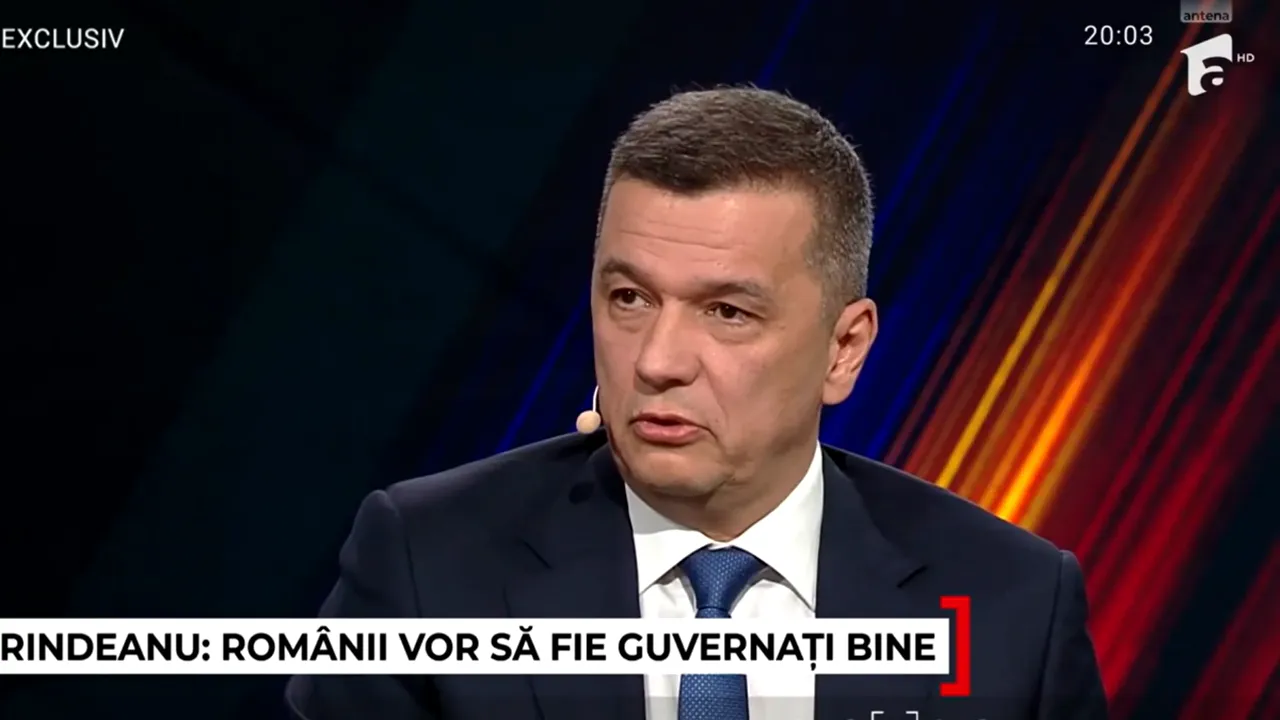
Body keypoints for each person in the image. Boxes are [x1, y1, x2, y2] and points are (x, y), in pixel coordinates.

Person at [285, 86, 1108, 720]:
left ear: (844, 348)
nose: (657, 361)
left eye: (727, 312)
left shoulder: (1012, 604)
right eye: (630, 298)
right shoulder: (429, 563)